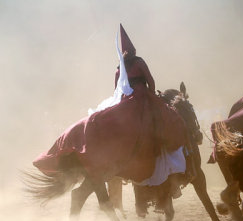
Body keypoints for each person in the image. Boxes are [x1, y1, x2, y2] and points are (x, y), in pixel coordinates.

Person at [33, 25, 186, 199]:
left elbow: (117, 89)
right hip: (143, 98)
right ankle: (172, 167)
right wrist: (151, 94)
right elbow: (151, 81)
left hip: (126, 99)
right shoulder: (139, 62)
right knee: (169, 121)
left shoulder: (119, 68)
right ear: (133, 49)